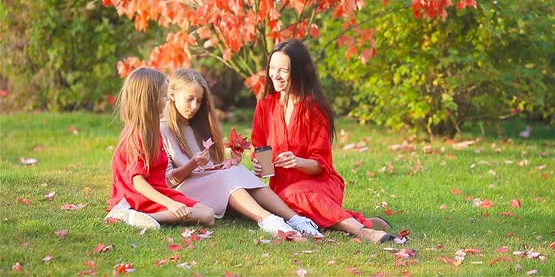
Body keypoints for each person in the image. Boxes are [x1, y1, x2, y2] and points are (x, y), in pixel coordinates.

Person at [251, 39, 394, 243]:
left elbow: (321, 165)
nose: (275, 75)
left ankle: (362, 230)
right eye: (272, 68)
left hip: (320, 185)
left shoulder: (314, 108)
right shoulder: (265, 106)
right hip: (280, 188)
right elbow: (261, 148)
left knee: (292, 197)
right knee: (280, 202)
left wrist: (297, 161)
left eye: (283, 70)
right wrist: (260, 166)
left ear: (299, 72)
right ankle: (354, 219)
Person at [160, 68, 323, 238]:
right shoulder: (162, 130)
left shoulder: (198, 126)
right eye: (189, 100)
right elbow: (167, 181)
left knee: (236, 170)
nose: (194, 106)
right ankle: (268, 220)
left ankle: (295, 219)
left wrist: (225, 163)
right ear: (172, 95)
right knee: (226, 178)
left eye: (199, 101)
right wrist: (193, 164)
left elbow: (208, 168)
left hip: (207, 182)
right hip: (183, 190)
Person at [105, 67, 215, 230]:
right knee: (205, 215)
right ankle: (139, 216)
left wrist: (193, 163)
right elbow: (138, 183)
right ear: (151, 99)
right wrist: (170, 204)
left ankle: (143, 217)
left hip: (158, 191)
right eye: (163, 96)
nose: (167, 100)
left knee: (208, 214)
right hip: (138, 196)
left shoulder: (152, 129)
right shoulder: (138, 133)